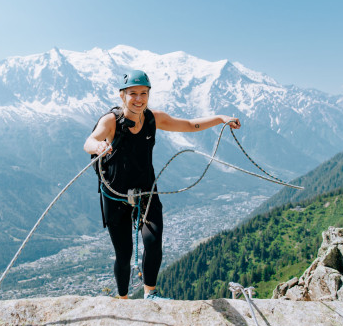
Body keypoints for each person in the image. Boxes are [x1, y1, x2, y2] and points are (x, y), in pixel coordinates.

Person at [83, 69, 241, 300]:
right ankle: (124, 298)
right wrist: (97, 147)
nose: (138, 99)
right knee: (124, 252)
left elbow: (188, 125)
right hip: (115, 195)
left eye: (143, 93)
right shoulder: (111, 121)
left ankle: (150, 293)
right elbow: (91, 140)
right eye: (133, 94)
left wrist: (220, 119)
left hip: (146, 190)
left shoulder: (153, 118)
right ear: (122, 95)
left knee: (153, 241)